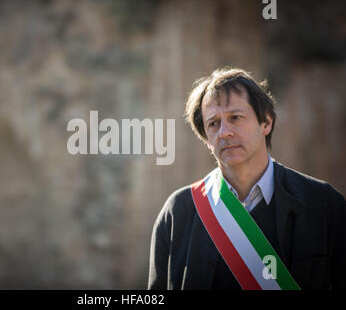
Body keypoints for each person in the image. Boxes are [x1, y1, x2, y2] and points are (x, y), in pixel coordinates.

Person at [148, 67, 345, 290]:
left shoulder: (323, 204)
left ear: (266, 122)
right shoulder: (178, 211)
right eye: (213, 123)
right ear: (205, 139)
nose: (224, 132)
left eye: (236, 118)